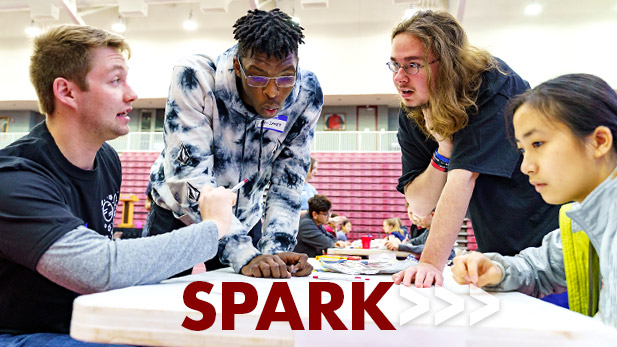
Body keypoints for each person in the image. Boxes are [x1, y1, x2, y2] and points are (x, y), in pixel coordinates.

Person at [0, 24, 237, 345]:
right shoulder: (13, 178)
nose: (131, 94)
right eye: (115, 81)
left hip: (83, 321)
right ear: (66, 91)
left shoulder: (107, 160)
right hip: (18, 335)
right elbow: (101, 268)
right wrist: (215, 226)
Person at [390, 10, 559, 288]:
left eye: (413, 65)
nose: (399, 77)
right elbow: (420, 204)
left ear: (447, 63)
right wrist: (444, 149)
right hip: (497, 239)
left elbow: (464, 176)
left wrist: (431, 264)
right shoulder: (412, 110)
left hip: (543, 230)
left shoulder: (491, 82)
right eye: (394, 64)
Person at [148, 8, 322, 278]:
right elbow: (188, 178)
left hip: (247, 219)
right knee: (159, 310)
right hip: (179, 218)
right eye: (258, 77)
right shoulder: (196, 78)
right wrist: (242, 253)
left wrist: (277, 248)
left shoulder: (306, 94)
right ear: (238, 69)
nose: (272, 92)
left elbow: (289, 181)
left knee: (246, 312)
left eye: (286, 77)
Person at [451, 73, 617, 328]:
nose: (526, 166)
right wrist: (497, 269)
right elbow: (541, 267)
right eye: (522, 149)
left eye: (538, 143)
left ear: (599, 141)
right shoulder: (584, 218)